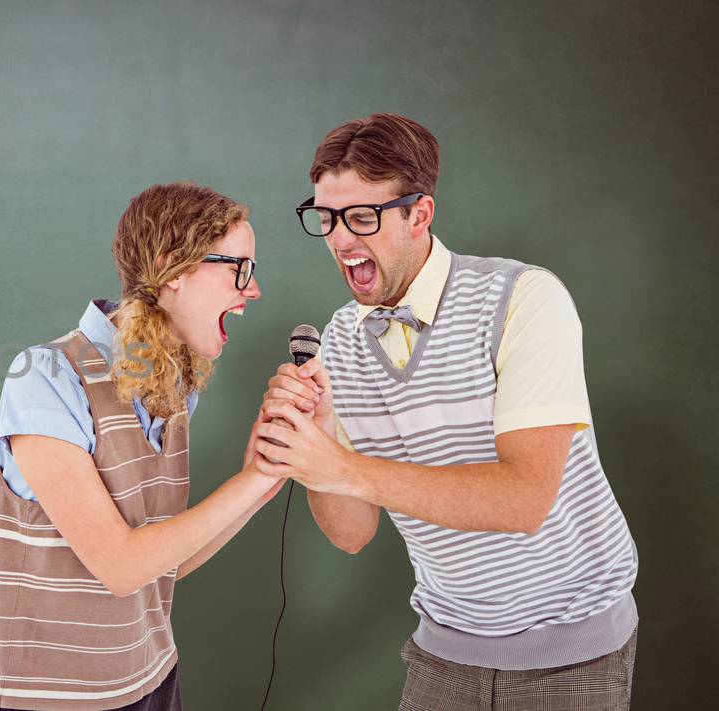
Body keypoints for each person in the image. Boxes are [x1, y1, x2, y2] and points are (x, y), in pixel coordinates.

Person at [253, 113, 639, 710]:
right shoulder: (339, 342)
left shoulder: (524, 300)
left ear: (419, 214)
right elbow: (352, 534)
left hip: (572, 656)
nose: (340, 239)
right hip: (445, 651)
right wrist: (318, 441)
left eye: (361, 217)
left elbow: (523, 501)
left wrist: (343, 467)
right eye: (325, 218)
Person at [0, 182, 287, 711]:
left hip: (150, 677)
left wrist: (265, 475)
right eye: (239, 268)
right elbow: (119, 566)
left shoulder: (174, 388)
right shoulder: (47, 375)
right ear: (172, 271)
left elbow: (166, 563)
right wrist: (246, 484)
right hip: (56, 699)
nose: (252, 290)